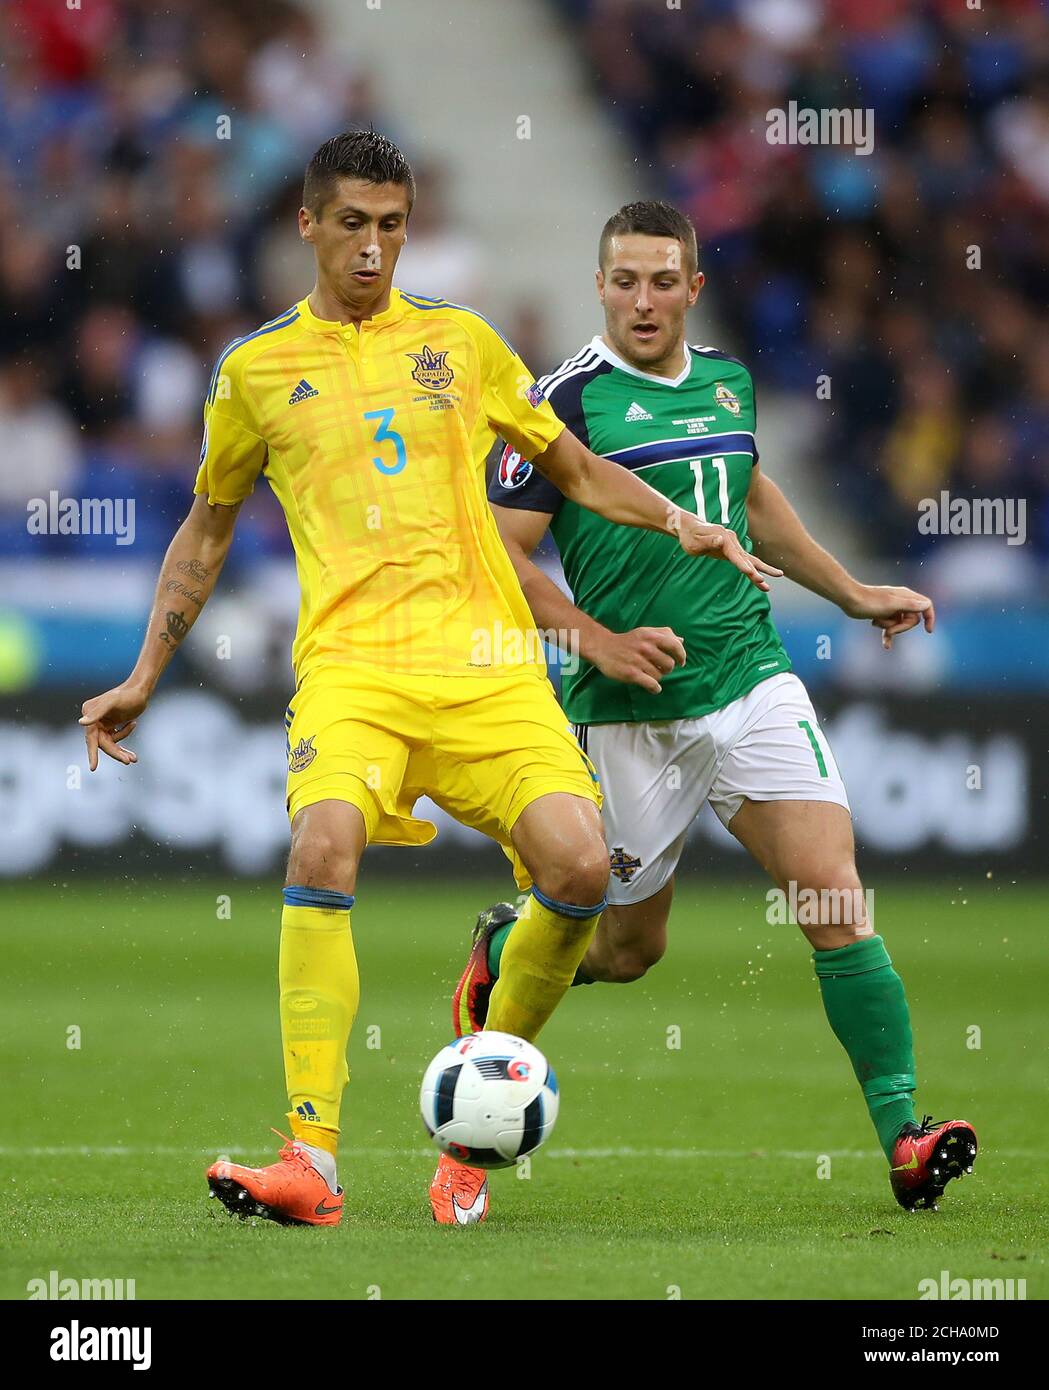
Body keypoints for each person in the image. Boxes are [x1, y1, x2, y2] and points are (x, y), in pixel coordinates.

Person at [79, 141, 779, 1229]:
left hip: (487, 668)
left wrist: (683, 516)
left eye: (392, 223)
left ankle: (474, 1124)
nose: (373, 246)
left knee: (581, 869)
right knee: (320, 846)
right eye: (352, 222)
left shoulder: (461, 341)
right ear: (307, 226)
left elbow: (577, 471)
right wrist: (144, 673)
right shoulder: (254, 371)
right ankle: (310, 1159)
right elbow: (205, 530)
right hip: (353, 672)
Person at [451, 200, 977, 1220]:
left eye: (661, 281)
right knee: (623, 951)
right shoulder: (554, 401)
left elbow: (752, 499)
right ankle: (507, 945)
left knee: (830, 891)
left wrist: (851, 591)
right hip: (628, 706)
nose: (642, 300)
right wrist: (591, 640)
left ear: (692, 288)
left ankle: (904, 1136)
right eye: (623, 280)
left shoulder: (728, 382)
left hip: (749, 675)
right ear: (597, 285)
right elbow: (497, 553)